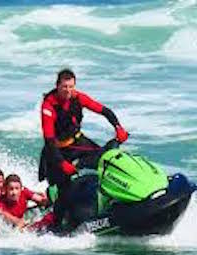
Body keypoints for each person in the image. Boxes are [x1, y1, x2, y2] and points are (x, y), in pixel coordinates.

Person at [39, 68, 129, 228]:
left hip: (78, 142)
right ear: (57, 86)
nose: (68, 90)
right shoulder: (48, 105)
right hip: (56, 150)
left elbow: (104, 111)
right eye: (64, 87)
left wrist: (118, 127)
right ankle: (57, 225)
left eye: (71, 86)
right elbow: (49, 141)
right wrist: (61, 164)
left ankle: (117, 197)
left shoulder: (78, 97)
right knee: (64, 191)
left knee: (105, 159)